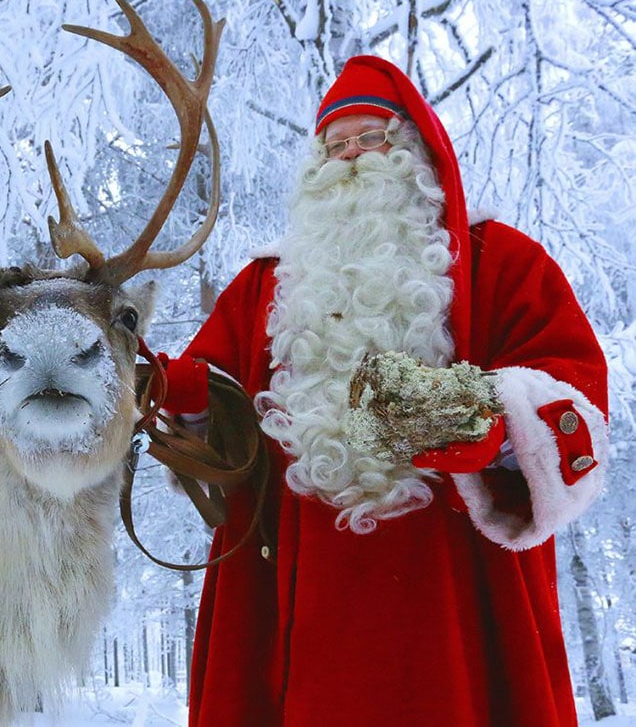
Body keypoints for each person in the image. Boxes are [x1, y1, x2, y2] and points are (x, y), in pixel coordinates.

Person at [162, 55, 609, 726]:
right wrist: (183, 397)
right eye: (334, 147)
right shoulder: (264, 288)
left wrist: (493, 421)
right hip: (299, 616)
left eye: (369, 139)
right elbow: (216, 425)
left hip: (453, 611)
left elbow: (575, 397)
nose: (349, 160)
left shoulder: (501, 262)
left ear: (414, 151)